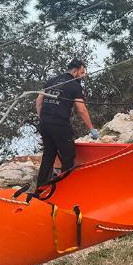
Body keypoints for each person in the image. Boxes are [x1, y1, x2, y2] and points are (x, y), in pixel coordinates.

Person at [35, 59, 98, 187]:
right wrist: (91, 128)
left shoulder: (51, 81)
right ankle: (64, 189)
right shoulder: (75, 85)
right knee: (68, 157)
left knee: (48, 156)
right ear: (75, 71)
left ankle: (40, 189)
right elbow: (81, 109)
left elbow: (38, 101)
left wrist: (43, 118)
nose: (83, 75)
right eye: (82, 72)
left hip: (45, 123)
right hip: (60, 124)